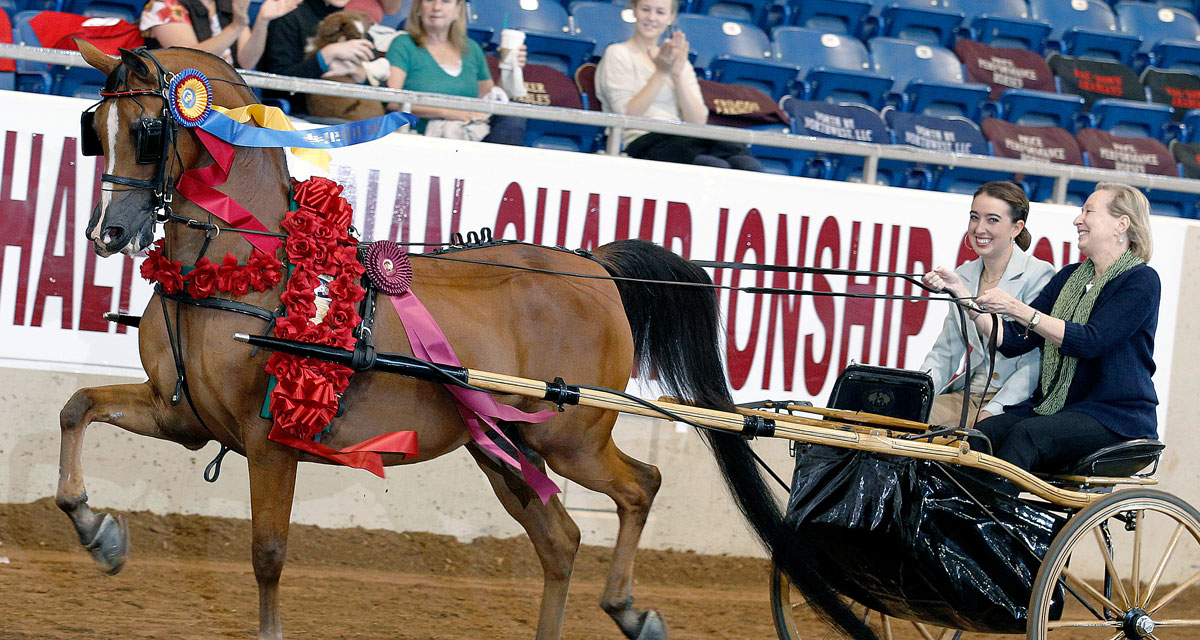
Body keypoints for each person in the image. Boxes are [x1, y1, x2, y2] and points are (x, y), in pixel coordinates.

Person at [924, 183, 1159, 473]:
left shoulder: (1141, 281)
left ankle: (992, 515)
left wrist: (1018, 309)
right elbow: (1013, 341)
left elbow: (1089, 341)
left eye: (1088, 211)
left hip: (1116, 416)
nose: (1078, 220)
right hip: (1063, 408)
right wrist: (960, 292)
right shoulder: (1069, 277)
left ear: (1121, 224)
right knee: (984, 434)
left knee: (1027, 436)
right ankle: (962, 511)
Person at [920, 182, 1055, 427]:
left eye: (992, 220)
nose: (979, 228)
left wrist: (993, 409)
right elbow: (946, 352)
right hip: (968, 394)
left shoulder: (1039, 274)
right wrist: (918, 390)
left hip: (1012, 401)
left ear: (1017, 227)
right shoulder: (965, 274)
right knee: (904, 418)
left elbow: (1036, 361)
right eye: (974, 217)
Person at [594, 0, 762, 170]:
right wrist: (661, 73)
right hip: (641, 142)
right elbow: (627, 115)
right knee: (714, 165)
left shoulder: (677, 59)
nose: (652, 17)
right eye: (646, 10)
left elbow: (697, 120)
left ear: (670, 17)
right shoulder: (618, 53)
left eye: (660, 12)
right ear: (635, 11)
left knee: (746, 164)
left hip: (681, 138)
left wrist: (677, 75)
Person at [383, 0, 526, 145]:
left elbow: (489, 99)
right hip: (420, 137)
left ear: (458, 9)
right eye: (430, 0)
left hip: (469, 136)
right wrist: (450, 113)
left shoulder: (472, 49)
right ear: (419, 7)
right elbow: (393, 102)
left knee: (513, 119)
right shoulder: (403, 44)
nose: (437, 7)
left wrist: (509, 67)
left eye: (446, 1)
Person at [258, 0, 378, 115]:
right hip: (300, 113)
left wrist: (360, 74)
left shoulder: (358, 23)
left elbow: (386, 97)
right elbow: (278, 82)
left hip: (356, 111)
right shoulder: (290, 19)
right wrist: (326, 55)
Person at [140, 0, 301, 70]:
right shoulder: (163, 5)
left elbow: (247, 62)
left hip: (227, 93)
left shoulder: (228, 4)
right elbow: (189, 59)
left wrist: (262, 21)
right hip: (184, 100)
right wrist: (237, 26)